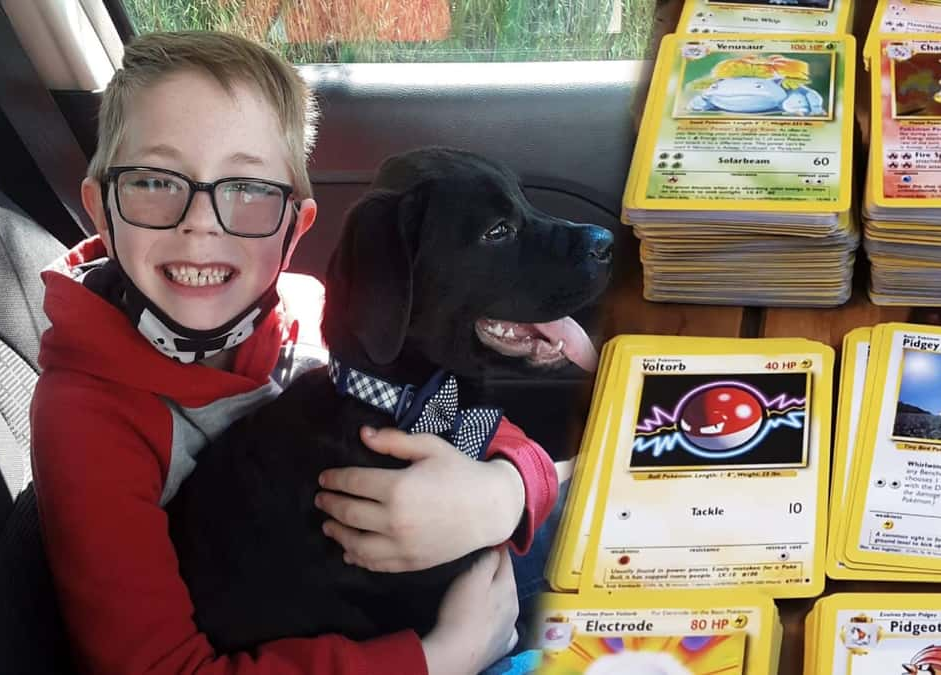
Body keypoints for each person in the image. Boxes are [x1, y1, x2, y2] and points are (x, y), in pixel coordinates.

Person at [30, 30, 558, 675]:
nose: (201, 221)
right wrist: (438, 658)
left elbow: (461, 420)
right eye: (154, 180)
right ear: (102, 213)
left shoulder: (307, 317)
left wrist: (503, 493)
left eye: (248, 188)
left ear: (293, 226)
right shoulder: (87, 420)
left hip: (432, 584)